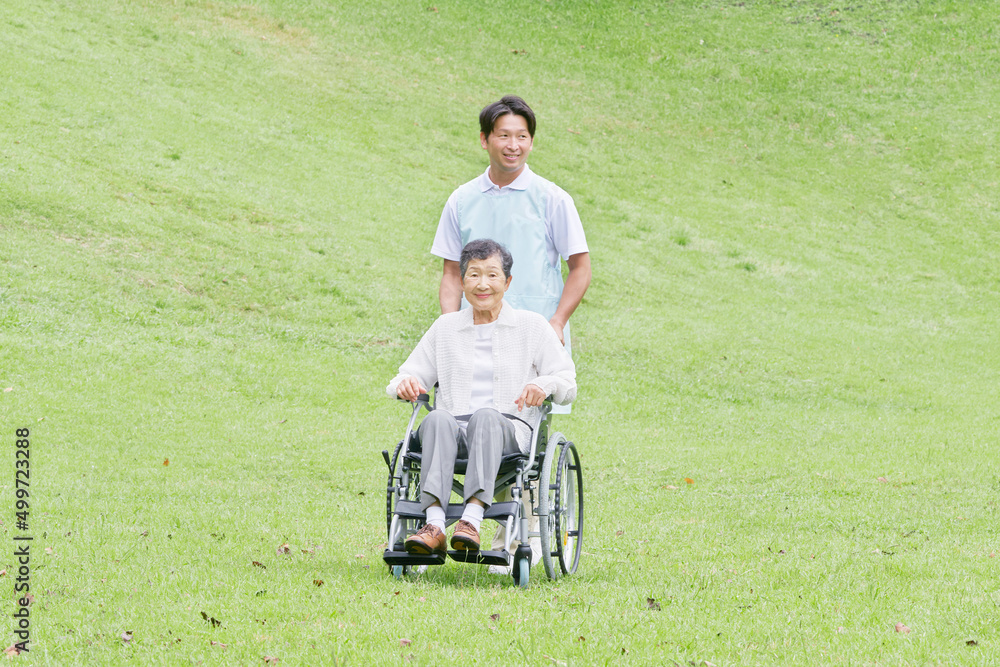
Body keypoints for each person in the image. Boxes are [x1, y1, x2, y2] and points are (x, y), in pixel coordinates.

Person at [386, 239, 576, 554]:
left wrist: (543, 385)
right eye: (474, 275)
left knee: (487, 417)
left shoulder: (532, 327)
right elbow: (406, 375)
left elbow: (566, 381)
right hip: (453, 434)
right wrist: (405, 384)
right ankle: (434, 525)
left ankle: (471, 521)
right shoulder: (445, 328)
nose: (482, 284)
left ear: (507, 281)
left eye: (491, 275)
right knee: (435, 418)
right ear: (462, 283)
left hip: (508, 433)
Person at [431, 95, 591, 349]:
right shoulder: (461, 200)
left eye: (522, 136)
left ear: (531, 141)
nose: (513, 145)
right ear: (484, 140)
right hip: (473, 337)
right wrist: (449, 327)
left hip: (537, 338)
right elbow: (451, 274)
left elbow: (581, 267)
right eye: (504, 136)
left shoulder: (553, 199)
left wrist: (558, 322)